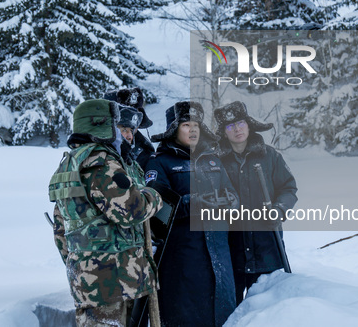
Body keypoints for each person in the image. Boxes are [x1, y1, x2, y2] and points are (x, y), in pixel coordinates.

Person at [49, 99, 162, 327]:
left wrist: (82, 264)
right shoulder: (101, 160)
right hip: (113, 281)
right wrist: (154, 197)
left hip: (90, 278)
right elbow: (132, 210)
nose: (124, 135)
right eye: (117, 127)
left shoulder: (70, 162)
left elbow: (61, 228)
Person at [144, 101, 239, 327]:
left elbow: (231, 192)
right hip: (182, 258)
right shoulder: (159, 163)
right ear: (173, 129)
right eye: (186, 124)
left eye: (196, 124)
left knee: (223, 316)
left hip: (219, 256)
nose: (193, 129)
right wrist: (194, 203)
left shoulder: (214, 160)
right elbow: (156, 211)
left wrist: (233, 202)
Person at [213, 101, 298, 306]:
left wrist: (279, 209)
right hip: (232, 250)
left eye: (240, 123)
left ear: (249, 125)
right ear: (224, 132)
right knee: (232, 311)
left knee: (268, 310)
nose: (237, 129)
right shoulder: (216, 162)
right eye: (230, 126)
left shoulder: (270, 156)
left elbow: (289, 189)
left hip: (267, 249)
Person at [104, 87, 155, 171]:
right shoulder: (94, 149)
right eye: (125, 112)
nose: (132, 119)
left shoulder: (146, 152)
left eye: (136, 113)